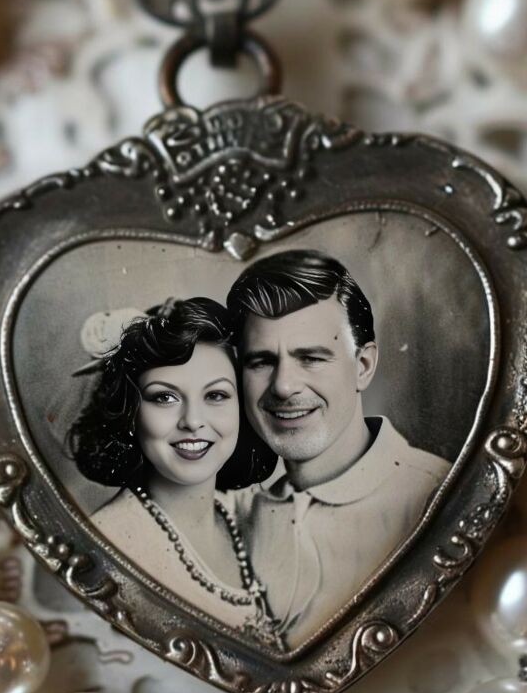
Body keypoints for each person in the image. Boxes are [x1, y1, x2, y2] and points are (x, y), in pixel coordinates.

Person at [226, 249, 451, 648]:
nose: (283, 386)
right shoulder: (232, 519)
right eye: (261, 361)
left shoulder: (438, 496)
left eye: (311, 358)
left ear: (363, 366)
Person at [68, 297, 281, 645]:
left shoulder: (254, 515)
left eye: (216, 395)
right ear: (131, 412)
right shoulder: (109, 546)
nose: (193, 421)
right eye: (165, 397)